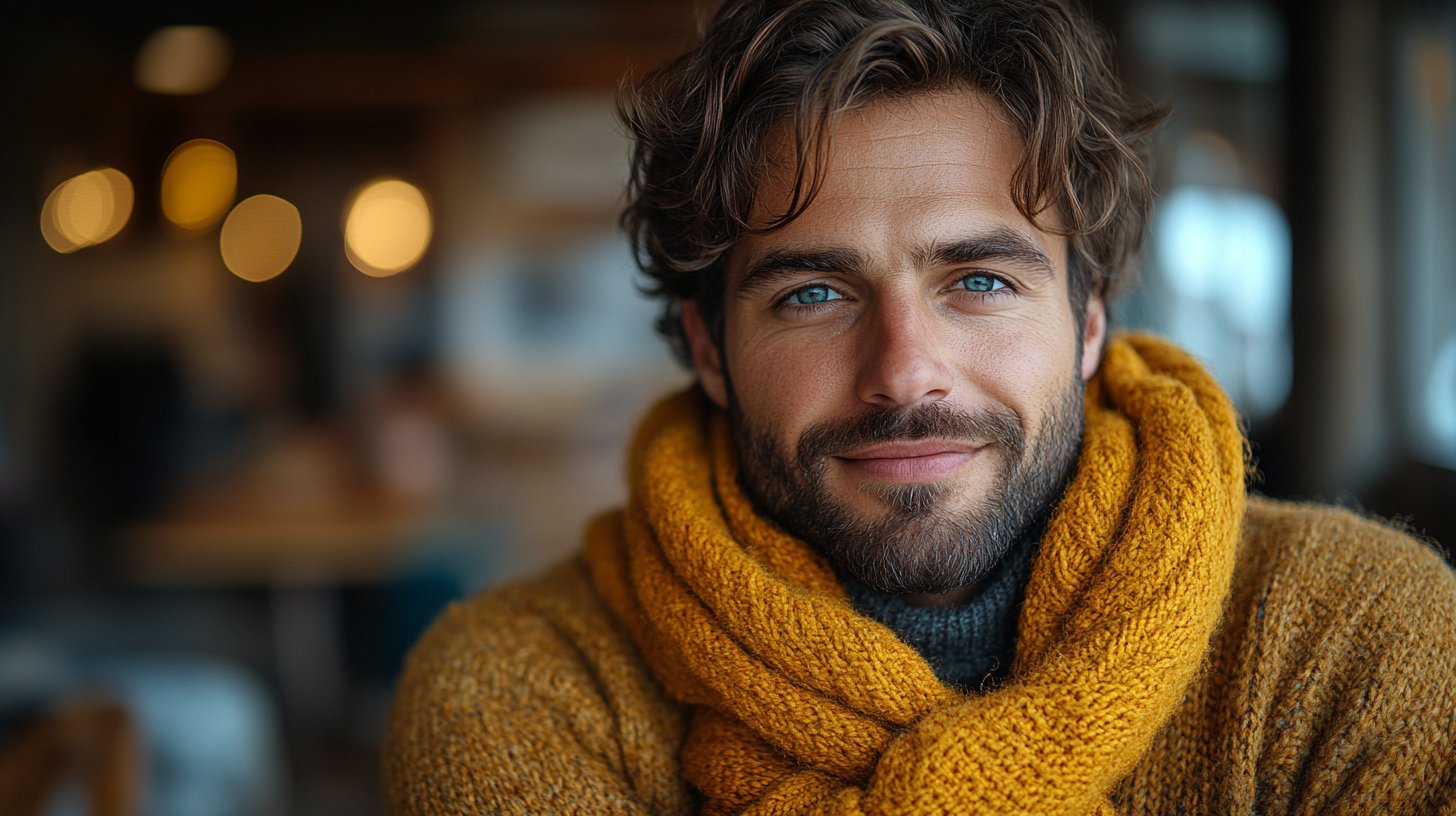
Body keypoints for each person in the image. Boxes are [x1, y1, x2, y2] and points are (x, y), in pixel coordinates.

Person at [385, 0, 1456, 812]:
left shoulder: (1353, 641)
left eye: (979, 281)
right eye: (813, 293)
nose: (905, 372)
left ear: (1090, 323)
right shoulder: (523, 688)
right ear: (709, 349)